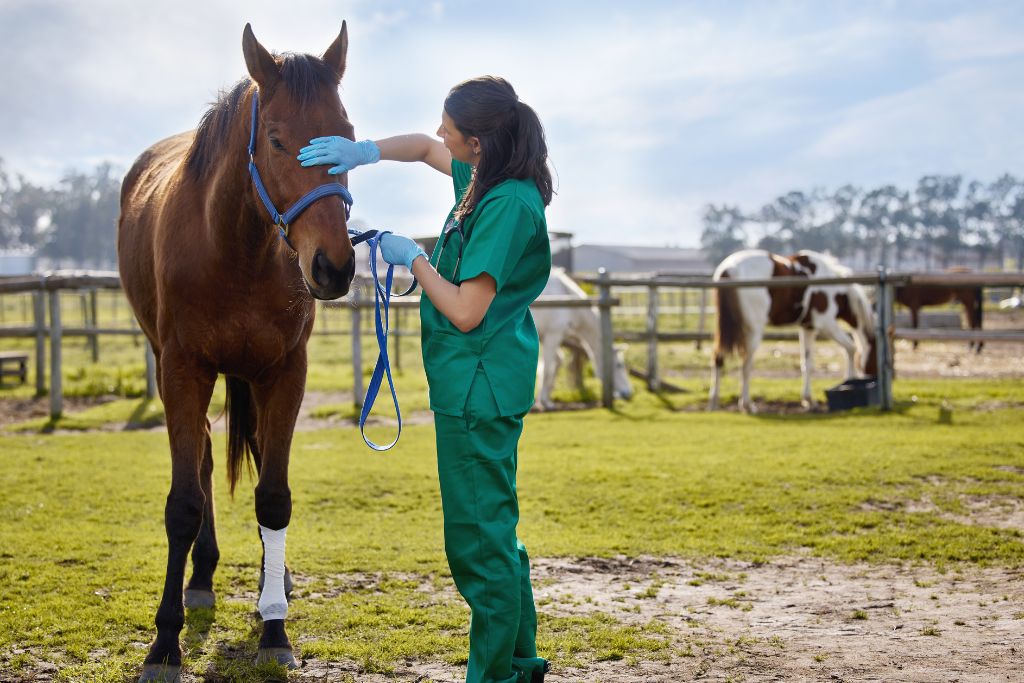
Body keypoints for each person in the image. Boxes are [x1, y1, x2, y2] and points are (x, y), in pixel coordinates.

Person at [297, 76, 553, 683]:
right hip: (478, 385)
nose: (441, 134)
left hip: (478, 387)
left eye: (450, 129)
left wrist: (410, 256)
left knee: (477, 545)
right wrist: (364, 152)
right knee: (497, 530)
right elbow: (419, 146)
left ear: (478, 142)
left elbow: (466, 309)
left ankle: (493, 676)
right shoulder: (485, 178)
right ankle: (520, 661)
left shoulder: (507, 204)